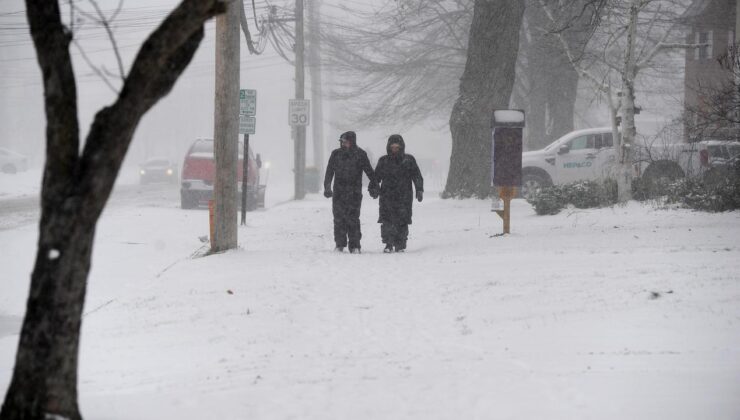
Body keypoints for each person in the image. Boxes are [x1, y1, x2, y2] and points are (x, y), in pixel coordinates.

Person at [323, 131, 377, 253]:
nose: (344, 144)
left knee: (353, 219)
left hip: (354, 192)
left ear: (352, 142)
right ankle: (339, 244)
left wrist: (374, 184)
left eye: (346, 142)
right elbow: (329, 172)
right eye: (342, 142)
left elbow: (369, 171)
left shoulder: (360, 154)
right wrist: (327, 187)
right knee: (339, 218)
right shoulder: (336, 154)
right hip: (339, 192)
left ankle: (355, 245)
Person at [373, 134, 423, 253]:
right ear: (389, 147)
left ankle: (400, 244)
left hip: (404, 196)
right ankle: (388, 243)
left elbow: (417, 176)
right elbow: (376, 177)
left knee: (402, 220)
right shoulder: (383, 161)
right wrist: (374, 188)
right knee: (387, 220)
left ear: (401, 147)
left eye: (397, 147)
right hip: (387, 196)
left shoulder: (409, 160)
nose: (394, 149)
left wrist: (419, 189)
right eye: (392, 147)